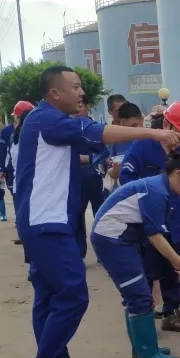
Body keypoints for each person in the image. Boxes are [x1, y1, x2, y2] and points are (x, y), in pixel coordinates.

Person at [14, 65, 180, 358]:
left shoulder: (51, 123)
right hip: (45, 223)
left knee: (49, 297)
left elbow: (92, 144)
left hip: (50, 221)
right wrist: (153, 134)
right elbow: (96, 132)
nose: (82, 93)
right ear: (54, 94)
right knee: (73, 294)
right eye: (75, 87)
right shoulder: (45, 119)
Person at [92, 154, 180, 358]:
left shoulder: (160, 189)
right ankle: (147, 354)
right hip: (113, 239)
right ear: (178, 174)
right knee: (139, 295)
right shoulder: (155, 192)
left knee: (136, 294)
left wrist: (176, 263)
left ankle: (143, 346)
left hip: (125, 237)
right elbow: (155, 236)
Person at [119, 101, 180, 333]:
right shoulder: (142, 148)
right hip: (145, 224)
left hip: (174, 224)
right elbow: (126, 180)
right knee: (145, 272)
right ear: (166, 124)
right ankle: (142, 318)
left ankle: (171, 311)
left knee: (171, 269)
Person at [74, 100, 109, 259]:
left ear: (88, 106)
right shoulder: (70, 129)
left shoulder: (94, 128)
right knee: (77, 216)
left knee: (100, 215)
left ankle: (103, 252)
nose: (78, 108)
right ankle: (79, 253)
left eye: (81, 105)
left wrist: (88, 159)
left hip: (94, 177)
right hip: (76, 178)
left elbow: (104, 152)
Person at [8, 100, 34, 246]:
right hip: (20, 181)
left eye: (16, 118)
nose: (15, 121)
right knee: (22, 211)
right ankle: (24, 235)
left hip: (29, 181)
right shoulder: (14, 136)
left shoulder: (31, 136)